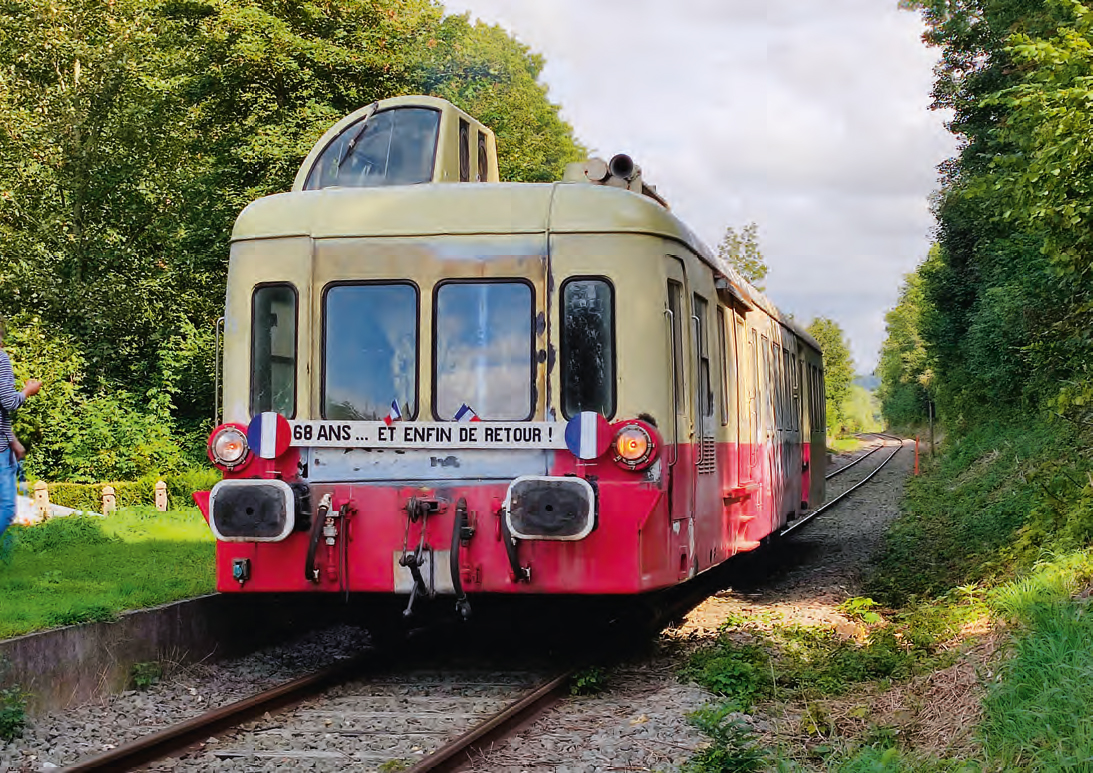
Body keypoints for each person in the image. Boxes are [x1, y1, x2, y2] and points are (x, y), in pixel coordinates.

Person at [0, 321, 40, 550]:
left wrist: (12, 439)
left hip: (4, 442)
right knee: (6, 508)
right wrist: (27, 391)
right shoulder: (0, 359)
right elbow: (8, 402)